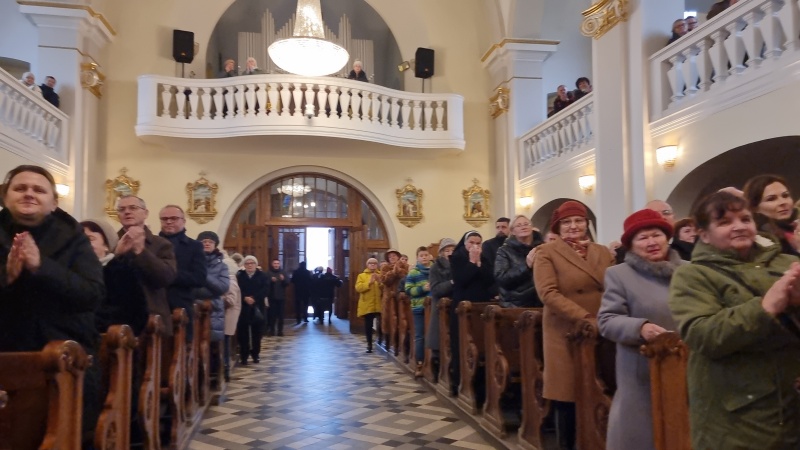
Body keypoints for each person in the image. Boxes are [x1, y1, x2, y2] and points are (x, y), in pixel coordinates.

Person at [669, 191, 800, 448]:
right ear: (704, 234)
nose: (739, 226)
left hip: (793, 404)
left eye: (745, 219)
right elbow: (703, 335)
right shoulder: (693, 276)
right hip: (739, 415)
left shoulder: (787, 262)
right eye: (724, 222)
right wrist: (764, 306)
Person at [0, 165, 105, 448]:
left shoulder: (74, 238)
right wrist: (7, 277)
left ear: (54, 202)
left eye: (39, 190)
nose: (29, 194)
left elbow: (92, 294)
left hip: (63, 356)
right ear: (5, 197)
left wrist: (41, 267)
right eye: (20, 188)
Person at [597, 209, 684, 450]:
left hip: (687, 367)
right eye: (642, 238)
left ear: (667, 237)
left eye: (656, 235)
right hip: (642, 371)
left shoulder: (690, 270)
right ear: (631, 245)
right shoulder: (619, 274)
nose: (651, 242)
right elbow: (607, 320)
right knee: (643, 437)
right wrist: (640, 327)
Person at [533, 200, 615, 450]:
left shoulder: (602, 252)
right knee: (567, 394)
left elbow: (614, 287)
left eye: (578, 220)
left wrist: (611, 316)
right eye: (566, 222)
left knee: (602, 390)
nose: (573, 226)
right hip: (565, 331)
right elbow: (548, 293)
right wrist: (585, 317)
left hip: (602, 329)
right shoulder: (547, 252)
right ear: (557, 227)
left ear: (586, 224)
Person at [114, 195, 177, 335]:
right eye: (122, 209)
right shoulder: (111, 241)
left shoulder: (161, 244)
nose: (127, 212)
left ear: (145, 213)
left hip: (152, 317)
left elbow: (165, 277)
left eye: (133, 208)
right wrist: (116, 254)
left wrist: (141, 252)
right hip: (117, 317)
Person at [449, 231, 495, 396]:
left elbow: (490, 280)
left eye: (478, 243)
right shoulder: (457, 258)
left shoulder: (485, 258)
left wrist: (480, 263)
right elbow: (461, 280)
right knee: (461, 345)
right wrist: (472, 262)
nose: (475, 246)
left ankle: (481, 386)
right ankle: (459, 382)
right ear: (465, 243)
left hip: (481, 306)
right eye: (471, 242)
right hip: (462, 307)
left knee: (481, 345)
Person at [159, 204, 206, 340]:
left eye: (174, 218)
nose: (168, 222)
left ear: (183, 221)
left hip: (180, 304)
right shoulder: (152, 244)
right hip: (155, 304)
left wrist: (169, 275)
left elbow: (199, 278)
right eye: (164, 219)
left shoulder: (194, 246)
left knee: (181, 345)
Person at [194, 231, 230, 384]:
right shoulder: (191, 263)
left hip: (213, 311)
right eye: (204, 241)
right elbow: (189, 286)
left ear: (215, 245)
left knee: (210, 346)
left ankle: (212, 375)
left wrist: (203, 275)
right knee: (194, 346)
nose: (207, 243)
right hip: (194, 309)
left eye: (210, 241)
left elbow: (222, 287)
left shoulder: (222, 266)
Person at [743, 174, 799, 257]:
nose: (783, 202)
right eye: (771, 199)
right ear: (754, 207)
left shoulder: (794, 226)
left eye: (785, 195)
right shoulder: (760, 241)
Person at [494, 215, 544, 308]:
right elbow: (502, 278)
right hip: (515, 303)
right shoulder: (504, 251)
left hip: (540, 301)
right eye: (519, 225)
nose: (523, 227)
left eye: (526, 224)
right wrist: (526, 266)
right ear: (512, 231)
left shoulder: (542, 247)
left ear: (531, 228)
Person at [426, 237, 456, 371]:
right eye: (447, 250)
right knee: (439, 342)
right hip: (440, 307)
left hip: (456, 307)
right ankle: (437, 369)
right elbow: (435, 289)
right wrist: (451, 283)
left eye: (453, 250)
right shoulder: (435, 267)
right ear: (442, 252)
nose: (450, 253)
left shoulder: (459, 264)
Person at [405, 246, 433, 376]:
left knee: (433, 335)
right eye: (421, 255)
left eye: (426, 255)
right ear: (417, 258)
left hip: (433, 307)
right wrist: (423, 289)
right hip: (419, 308)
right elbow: (409, 290)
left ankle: (433, 363)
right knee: (420, 336)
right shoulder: (413, 273)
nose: (424, 257)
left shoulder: (435, 270)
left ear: (430, 256)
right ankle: (420, 363)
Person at [236, 255, 268, 364]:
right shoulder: (240, 276)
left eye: (252, 263)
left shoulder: (262, 276)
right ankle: (244, 356)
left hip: (257, 306)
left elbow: (265, 289)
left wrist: (254, 298)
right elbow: (237, 289)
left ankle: (255, 354)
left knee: (257, 333)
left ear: (256, 264)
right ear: (244, 265)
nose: (250, 265)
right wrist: (244, 298)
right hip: (243, 306)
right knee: (243, 333)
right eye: (247, 263)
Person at [379, 249, 408, 348]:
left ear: (398, 257)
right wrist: (393, 272)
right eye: (390, 257)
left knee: (402, 319)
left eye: (394, 256)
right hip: (389, 298)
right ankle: (389, 341)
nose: (392, 258)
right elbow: (384, 280)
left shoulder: (405, 266)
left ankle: (402, 344)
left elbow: (406, 276)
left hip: (402, 297)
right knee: (390, 320)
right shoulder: (385, 267)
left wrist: (398, 270)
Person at [221, 252, 241, 382]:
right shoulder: (228, 279)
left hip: (227, 317)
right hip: (223, 318)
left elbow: (231, 301)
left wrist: (219, 299)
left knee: (226, 344)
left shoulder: (231, 281)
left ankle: (226, 368)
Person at [356, 258, 383, 353]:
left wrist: (379, 281)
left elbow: (385, 287)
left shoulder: (381, 274)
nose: (372, 265)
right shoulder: (361, 276)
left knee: (381, 324)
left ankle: (380, 340)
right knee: (368, 325)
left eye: (374, 263)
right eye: (370, 263)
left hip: (379, 303)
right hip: (367, 304)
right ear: (367, 265)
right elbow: (358, 288)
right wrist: (369, 283)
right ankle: (369, 344)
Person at [482, 217, 511, 296]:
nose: (500, 230)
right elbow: (488, 267)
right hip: (494, 286)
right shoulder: (488, 245)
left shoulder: (513, 244)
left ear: (510, 229)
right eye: (498, 227)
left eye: (503, 227)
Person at [266, 258, 288, 336]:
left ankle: (280, 331)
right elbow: (265, 283)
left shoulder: (283, 272)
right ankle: (272, 330)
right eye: (275, 263)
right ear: (272, 264)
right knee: (272, 315)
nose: (276, 265)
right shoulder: (268, 273)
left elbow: (287, 283)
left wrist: (283, 280)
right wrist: (271, 281)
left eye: (277, 263)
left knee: (281, 315)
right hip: (272, 297)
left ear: (279, 264)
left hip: (281, 297)